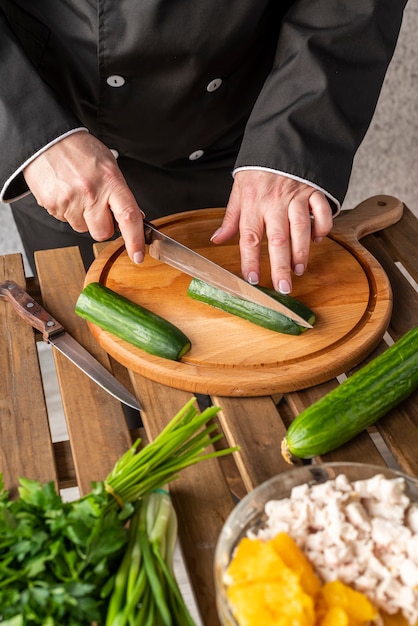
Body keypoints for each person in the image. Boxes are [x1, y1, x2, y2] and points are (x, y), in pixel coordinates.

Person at [0, 0, 408, 294]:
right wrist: (30, 132)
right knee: (104, 376)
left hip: (250, 142)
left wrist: (292, 141)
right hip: (60, 145)